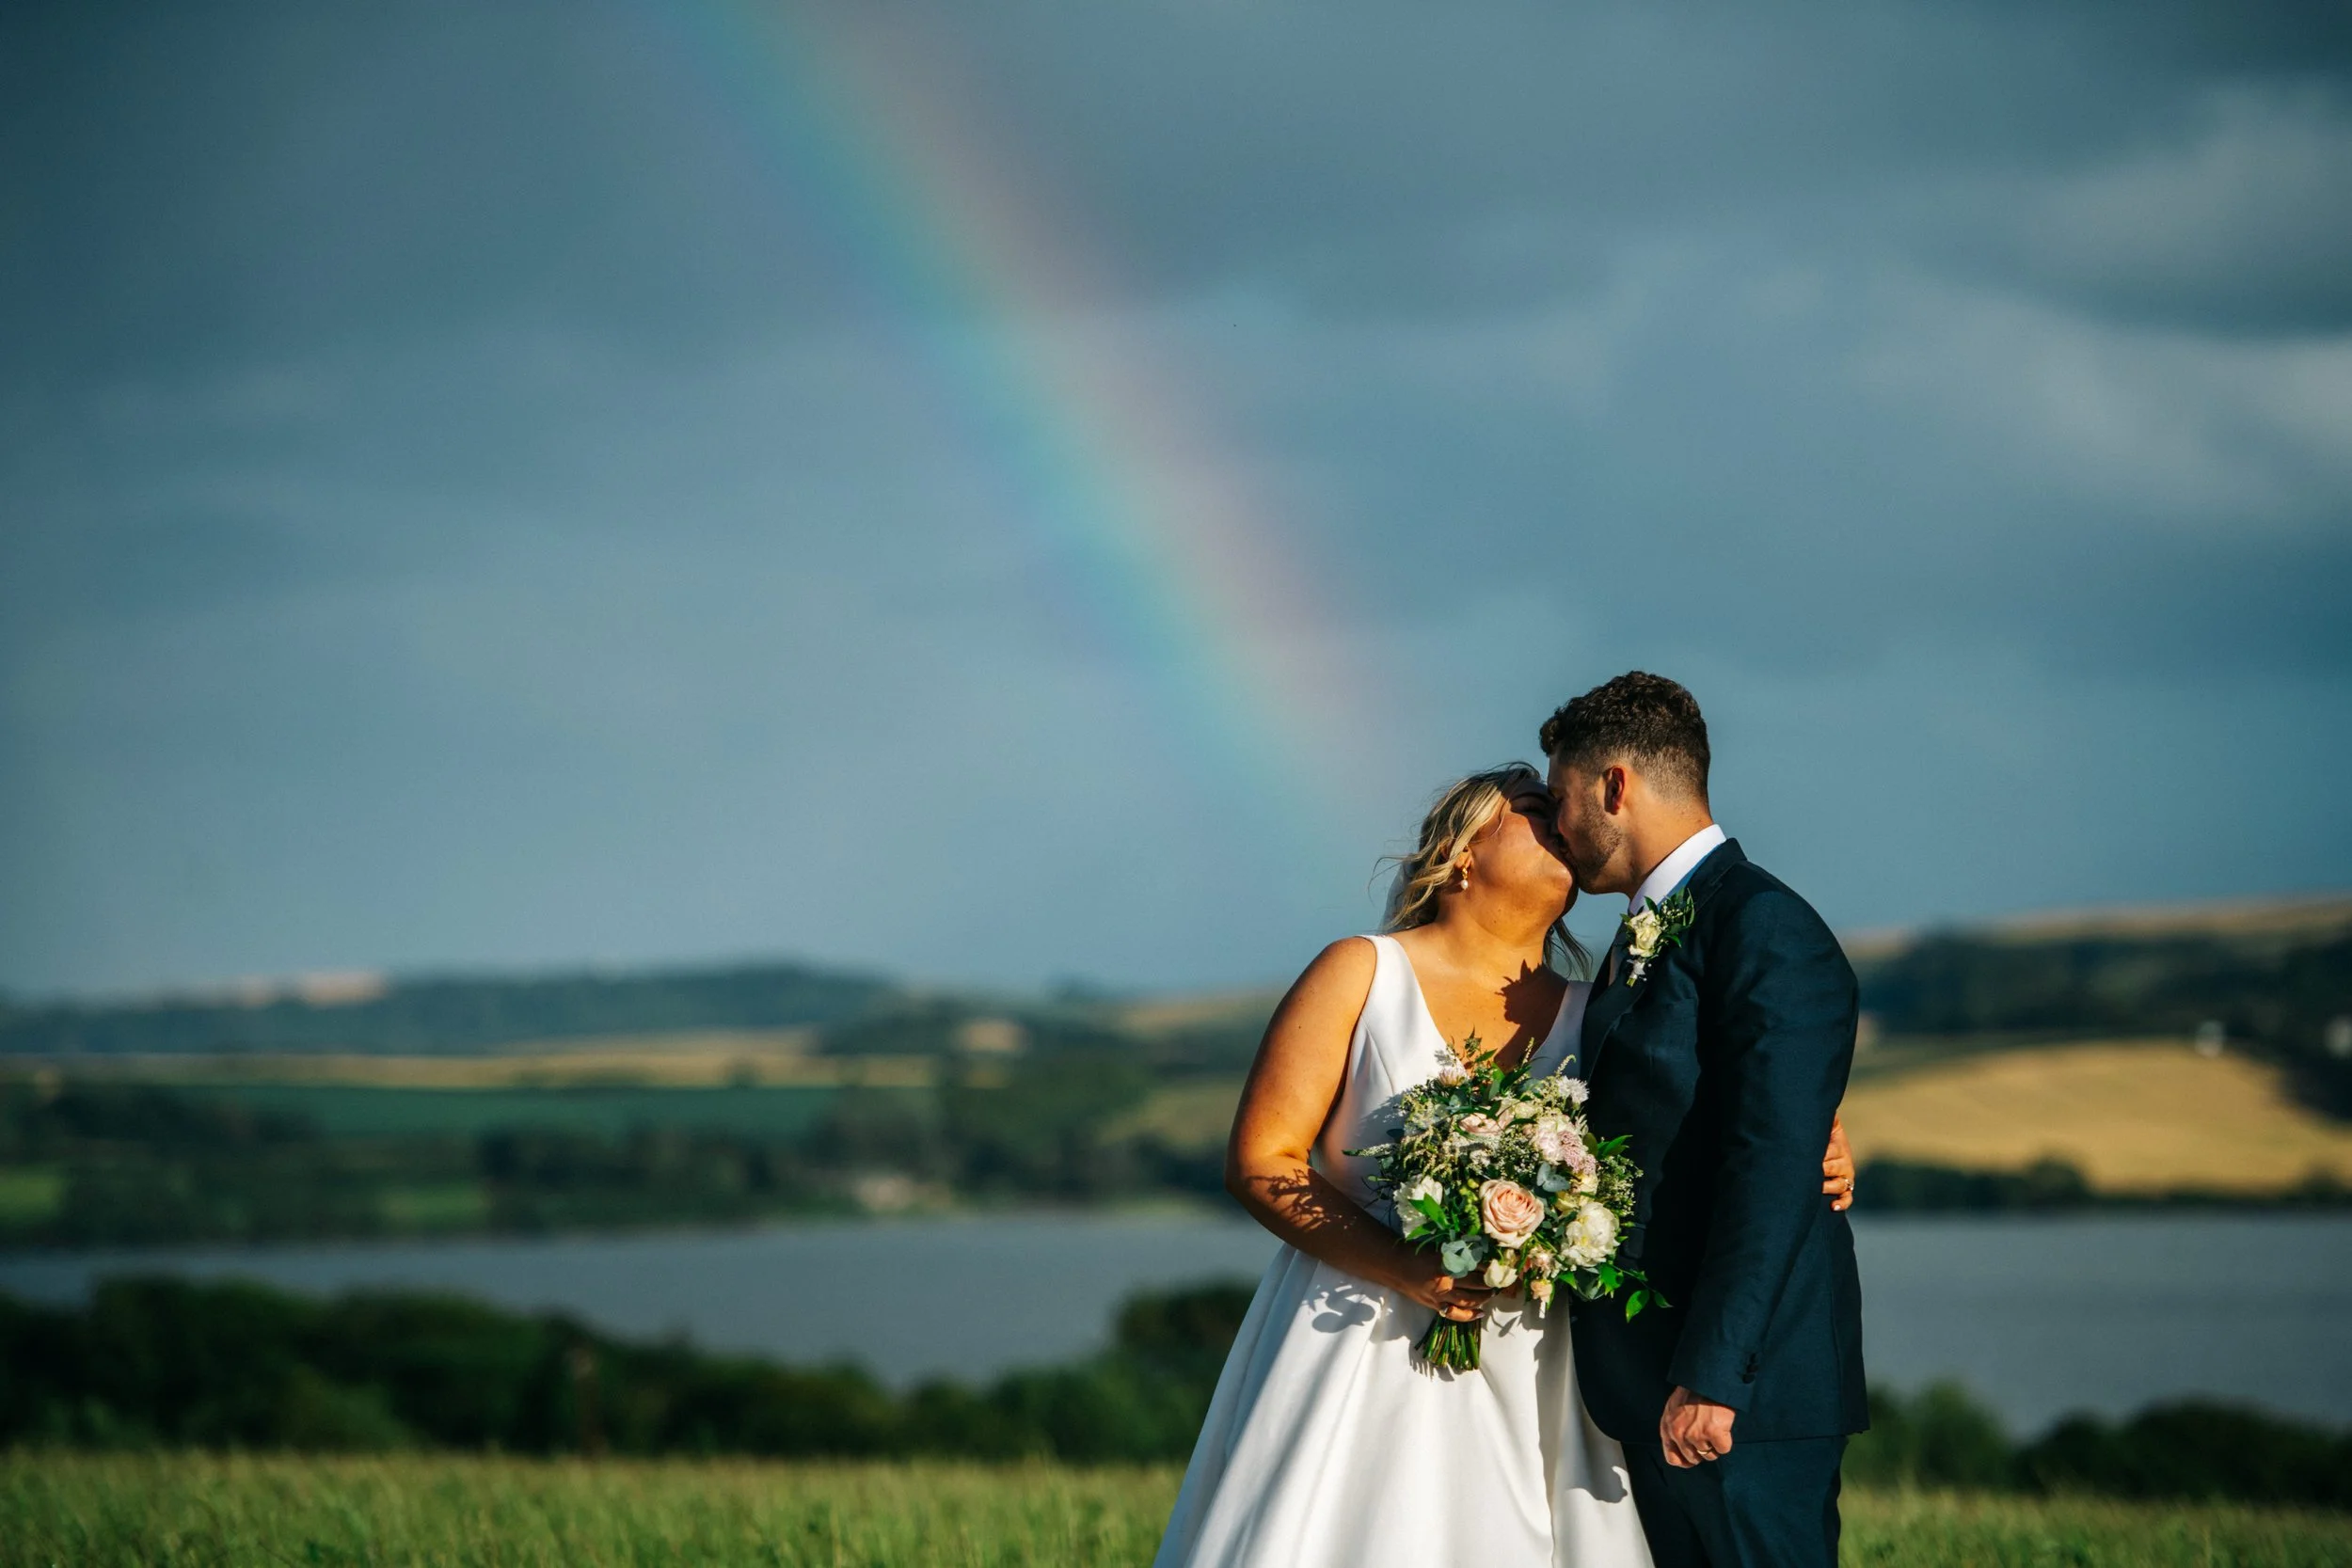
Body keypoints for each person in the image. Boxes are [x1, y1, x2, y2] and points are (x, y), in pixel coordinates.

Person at [1153, 762, 1855, 1568]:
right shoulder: (1361, 971)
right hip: (1361, 1329)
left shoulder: (1602, 1010)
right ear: (1461, 852)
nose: (1561, 818)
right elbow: (1261, 1159)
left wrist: (1825, 1138)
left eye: (1559, 804)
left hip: (1539, 1357)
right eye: (1532, 809)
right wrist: (1405, 1266)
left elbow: (1700, 1112)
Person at [1548, 673, 1867, 1568]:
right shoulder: (1647, 930)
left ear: (1615, 786)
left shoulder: (1764, 925)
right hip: (1653, 1379)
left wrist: (1714, 1377)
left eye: (1565, 800)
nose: (1560, 830)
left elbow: (1770, 1166)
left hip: (1736, 1395)